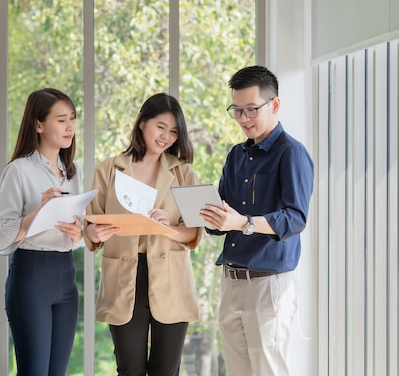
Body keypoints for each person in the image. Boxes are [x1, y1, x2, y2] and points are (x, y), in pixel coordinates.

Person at [200, 65, 314, 376]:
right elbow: (226, 214)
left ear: (274, 105)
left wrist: (243, 222)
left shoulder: (292, 154)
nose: (243, 119)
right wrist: (210, 216)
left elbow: (295, 218)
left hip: (269, 284)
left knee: (267, 371)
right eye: (236, 111)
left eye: (251, 109)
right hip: (232, 281)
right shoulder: (237, 155)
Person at [84, 92, 201, 376]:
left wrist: (168, 228)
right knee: (129, 370)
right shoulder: (109, 169)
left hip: (171, 279)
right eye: (160, 127)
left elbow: (195, 232)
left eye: (174, 132)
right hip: (125, 277)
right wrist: (95, 231)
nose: (166, 137)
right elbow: (90, 225)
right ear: (141, 121)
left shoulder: (184, 173)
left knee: (166, 370)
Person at [0, 87, 84, 376]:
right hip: (31, 278)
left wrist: (78, 232)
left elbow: (77, 237)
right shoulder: (18, 171)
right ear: (39, 124)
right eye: (61, 120)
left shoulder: (73, 170)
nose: (70, 127)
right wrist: (38, 211)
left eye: (72, 118)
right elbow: (2, 236)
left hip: (66, 278)